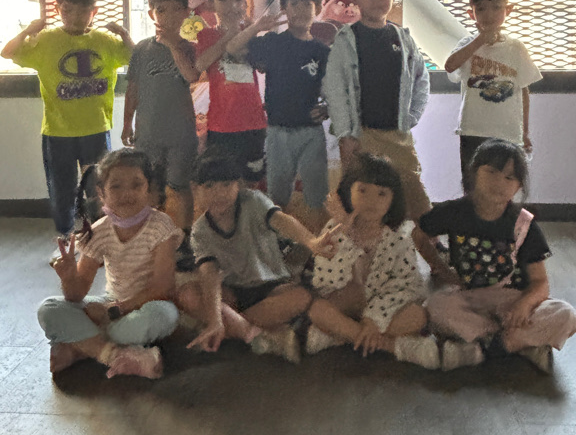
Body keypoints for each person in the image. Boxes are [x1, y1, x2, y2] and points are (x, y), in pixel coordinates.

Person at [412, 139, 576, 372]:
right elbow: (419, 235)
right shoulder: (454, 212)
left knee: (566, 315)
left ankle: (483, 348)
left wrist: (523, 305)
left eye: (509, 177)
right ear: (473, 173)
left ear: (518, 186)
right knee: (435, 307)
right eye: (491, 172)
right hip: (471, 297)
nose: (499, 182)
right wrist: (441, 269)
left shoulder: (523, 224)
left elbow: (540, 283)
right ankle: (519, 344)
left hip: (513, 301)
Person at [1, 0, 133, 240]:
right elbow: (8, 52)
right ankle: (65, 237)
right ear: (58, 9)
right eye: (68, 10)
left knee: (99, 186)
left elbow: (134, 56)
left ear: (94, 11)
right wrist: (28, 31)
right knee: (62, 188)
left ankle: (100, 236)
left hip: (95, 128)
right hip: (57, 131)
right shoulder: (47, 40)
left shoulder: (104, 41)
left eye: (84, 11)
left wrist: (123, 33)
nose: (75, 17)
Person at [175, 152, 341, 364]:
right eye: (209, 186)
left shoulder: (253, 201)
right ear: (194, 188)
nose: (219, 193)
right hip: (233, 292)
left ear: (238, 185)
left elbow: (282, 220)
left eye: (226, 185)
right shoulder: (200, 231)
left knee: (301, 296)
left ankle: (231, 328)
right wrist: (215, 317)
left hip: (272, 286)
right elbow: (210, 274)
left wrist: (311, 242)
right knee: (188, 294)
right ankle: (258, 334)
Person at [37, 148, 180, 378]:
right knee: (48, 309)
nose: (127, 194)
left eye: (136, 185)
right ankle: (114, 354)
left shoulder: (161, 227)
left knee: (163, 316)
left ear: (148, 190)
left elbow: (162, 287)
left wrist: (116, 310)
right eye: (116, 186)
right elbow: (77, 294)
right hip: (111, 305)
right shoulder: (99, 231)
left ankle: (81, 346)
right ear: (101, 193)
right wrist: (69, 278)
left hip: (146, 306)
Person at [305, 153, 439, 368]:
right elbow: (326, 281)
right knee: (318, 310)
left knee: (418, 315)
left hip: (386, 309)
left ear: (393, 198)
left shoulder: (399, 236)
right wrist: (346, 234)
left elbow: (406, 286)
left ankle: (344, 336)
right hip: (347, 306)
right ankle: (393, 346)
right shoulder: (334, 230)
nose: (372, 201)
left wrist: (373, 319)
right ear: (348, 191)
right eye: (363, 190)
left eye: (382, 193)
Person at [323, 0, 430, 220]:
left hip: (398, 135)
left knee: (413, 199)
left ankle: (418, 242)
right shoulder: (346, 39)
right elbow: (335, 90)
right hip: (361, 136)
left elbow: (421, 79)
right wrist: (346, 135)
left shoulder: (403, 38)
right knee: (359, 202)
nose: (377, 0)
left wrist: (411, 116)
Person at [226, 0, 329, 231]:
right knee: (277, 197)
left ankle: (316, 248)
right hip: (277, 131)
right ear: (284, 8)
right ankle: (277, 245)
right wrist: (258, 26)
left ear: (317, 8)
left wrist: (328, 108)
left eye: (307, 4)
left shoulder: (322, 51)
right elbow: (232, 48)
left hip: (311, 133)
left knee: (317, 197)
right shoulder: (273, 42)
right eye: (294, 4)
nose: (301, 10)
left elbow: (332, 89)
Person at [444, 0, 542, 191]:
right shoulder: (467, 44)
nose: (488, 15)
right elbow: (450, 66)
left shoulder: (515, 48)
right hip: (473, 130)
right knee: (473, 186)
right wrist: (479, 40)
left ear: (508, 10)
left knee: (504, 185)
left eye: (496, 7)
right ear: (471, 14)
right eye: (481, 9)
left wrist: (525, 132)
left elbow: (524, 90)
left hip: (507, 132)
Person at [122, 0, 198, 232]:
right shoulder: (142, 49)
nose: (169, 16)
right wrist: (127, 123)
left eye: (177, 9)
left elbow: (193, 76)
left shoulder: (191, 47)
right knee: (150, 187)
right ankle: (152, 236)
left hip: (181, 133)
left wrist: (172, 46)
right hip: (148, 132)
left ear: (187, 12)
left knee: (180, 185)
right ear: (151, 14)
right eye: (162, 10)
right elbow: (133, 89)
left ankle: (185, 237)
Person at [193, 0, 268, 183]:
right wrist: (229, 34)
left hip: (253, 121)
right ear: (211, 4)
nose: (231, 5)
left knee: (252, 180)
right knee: (223, 181)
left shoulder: (251, 32)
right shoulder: (206, 35)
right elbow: (200, 65)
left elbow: (262, 66)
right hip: (221, 124)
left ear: (245, 4)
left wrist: (251, 32)